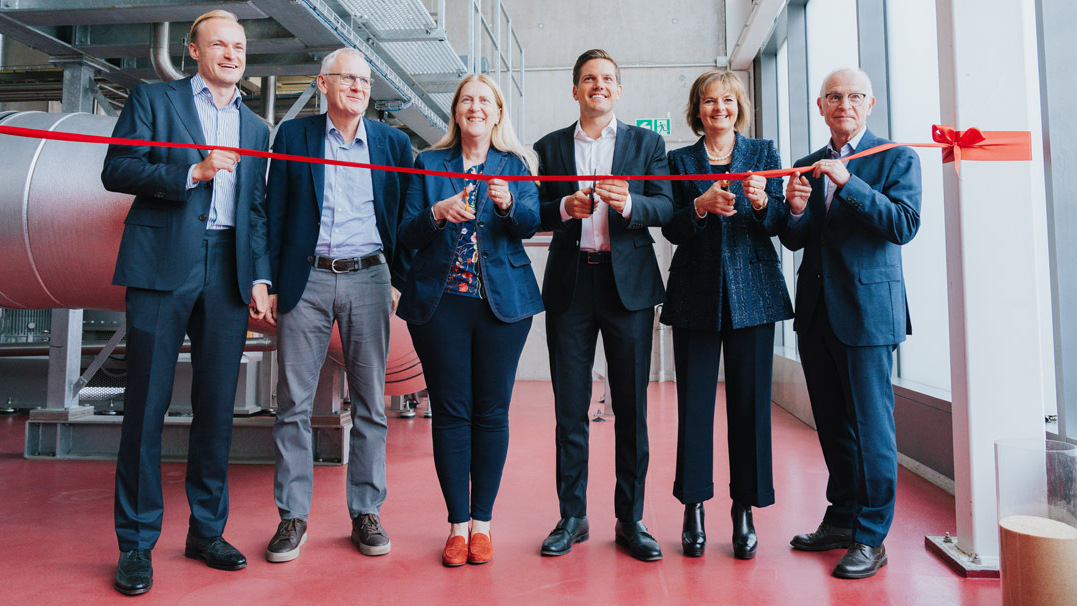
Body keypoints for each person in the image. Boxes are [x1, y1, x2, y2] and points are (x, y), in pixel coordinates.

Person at [100, 9, 271, 596]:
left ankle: (206, 529)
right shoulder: (154, 100)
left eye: (239, 45)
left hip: (227, 270)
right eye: (219, 44)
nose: (231, 53)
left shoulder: (256, 128)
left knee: (217, 407)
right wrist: (192, 172)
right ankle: (137, 543)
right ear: (194, 51)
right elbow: (116, 169)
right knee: (145, 405)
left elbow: (253, 211)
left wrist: (260, 277)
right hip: (160, 262)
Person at [261, 47, 414, 563]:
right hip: (306, 280)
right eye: (346, 78)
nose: (357, 87)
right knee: (292, 405)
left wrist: (400, 279)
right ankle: (292, 517)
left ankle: (366, 511)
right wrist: (272, 279)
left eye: (364, 80)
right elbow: (273, 210)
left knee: (371, 403)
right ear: (323, 84)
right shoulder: (295, 137)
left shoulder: (393, 144)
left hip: (369, 278)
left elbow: (407, 216)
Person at [780, 67, 921, 579]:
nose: (844, 104)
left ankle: (871, 536)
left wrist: (851, 183)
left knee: (872, 430)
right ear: (821, 106)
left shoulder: (895, 156)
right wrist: (793, 212)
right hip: (817, 312)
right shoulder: (806, 164)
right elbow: (796, 239)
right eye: (834, 97)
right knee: (834, 427)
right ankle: (841, 520)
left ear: (871, 103)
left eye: (854, 96)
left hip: (868, 314)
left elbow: (903, 225)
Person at [397, 74, 542, 567]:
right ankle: (457, 526)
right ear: (456, 112)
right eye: (467, 100)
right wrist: (436, 213)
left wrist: (506, 203)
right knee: (452, 413)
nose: (475, 107)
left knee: (492, 413)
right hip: (441, 305)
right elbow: (407, 235)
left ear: (498, 113)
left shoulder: (516, 165)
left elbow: (530, 223)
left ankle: (483, 523)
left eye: (485, 100)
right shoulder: (428, 163)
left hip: (503, 305)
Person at [535, 49, 673, 562]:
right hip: (571, 289)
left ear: (619, 90)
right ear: (575, 90)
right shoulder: (549, 148)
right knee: (569, 409)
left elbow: (666, 206)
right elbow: (535, 213)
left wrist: (631, 204)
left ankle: (630, 519)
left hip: (629, 290)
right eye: (589, 79)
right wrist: (564, 209)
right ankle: (573, 515)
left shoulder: (647, 143)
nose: (599, 85)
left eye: (608, 79)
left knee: (632, 410)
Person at [660, 70, 792, 559]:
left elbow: (781, 221)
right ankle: (693, 506)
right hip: (695, 292)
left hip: (754, 293)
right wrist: (697, 205)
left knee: (751, 406)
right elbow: (671, 227)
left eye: (728, 99)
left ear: (740, 106)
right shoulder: (679, 160)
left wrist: (761, 203)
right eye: (710, 101)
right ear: (697, 109)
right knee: (693, 405)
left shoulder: (764, 153)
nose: (720, 107)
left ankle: (745, 508)